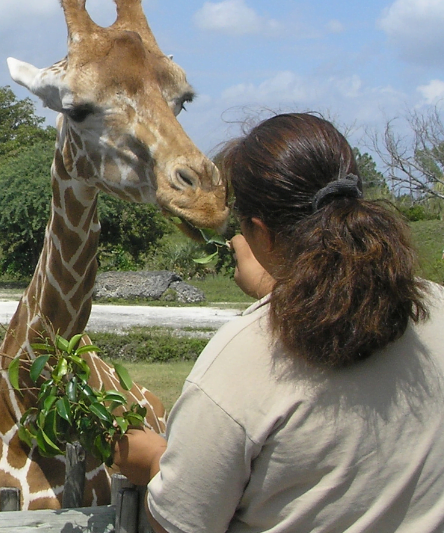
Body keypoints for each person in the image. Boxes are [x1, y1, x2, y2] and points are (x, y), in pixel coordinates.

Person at [115, 112, 444, 533]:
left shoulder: (241, 361)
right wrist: (275, 288)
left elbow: (178, 524)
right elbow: (344, 306)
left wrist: (154, 460)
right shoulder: (429, 305)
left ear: (261, 233)